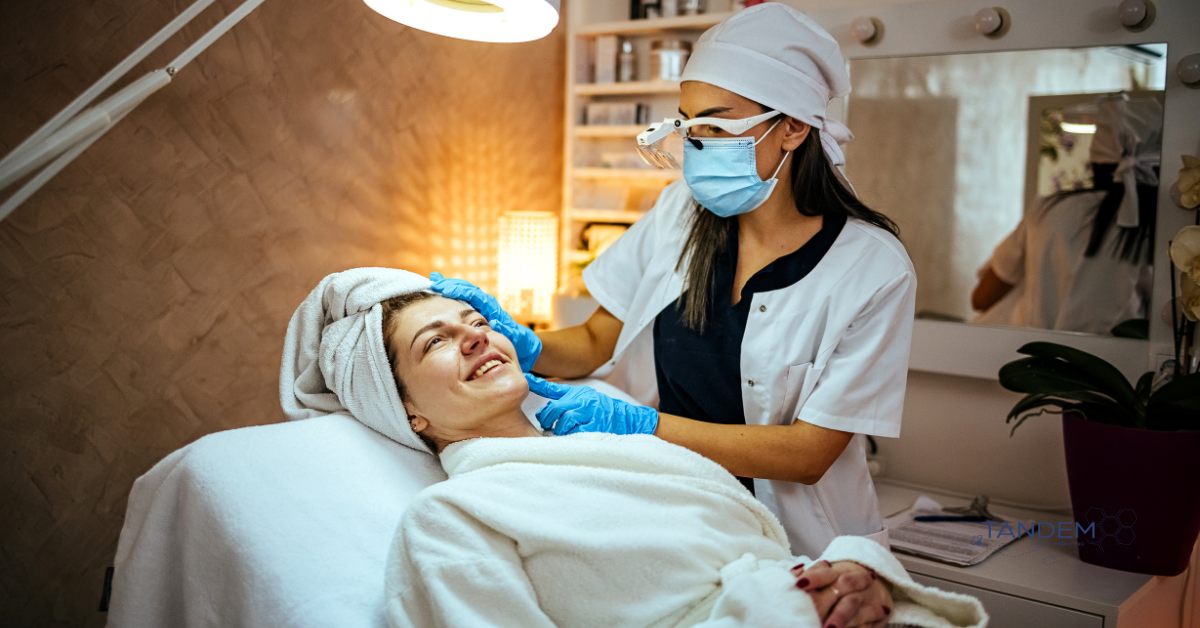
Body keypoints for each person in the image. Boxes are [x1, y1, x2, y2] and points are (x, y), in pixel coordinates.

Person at [431, 3, 915, 559]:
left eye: (714, 124)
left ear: (793, 127)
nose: (693, 145)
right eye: (687, 124)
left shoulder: (873, 268)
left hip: (804, 543)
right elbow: (594, 341)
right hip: (675, 514)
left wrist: (639, 426)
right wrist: (521, 341)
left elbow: (807, 454)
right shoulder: (678, 212)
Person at [378, 289, 986, 628]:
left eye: (477, 320)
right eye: (435, 340)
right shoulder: (449, 517)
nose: (477, 335)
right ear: (408, 412)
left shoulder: (617, 451)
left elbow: (766, 549)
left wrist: (852, 575)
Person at [972, 96, 1163, 334]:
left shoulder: (1049, 210)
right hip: (1114, 367)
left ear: (1093, 162)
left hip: (1028, 359)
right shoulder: (1163, 231)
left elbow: (981, 298)